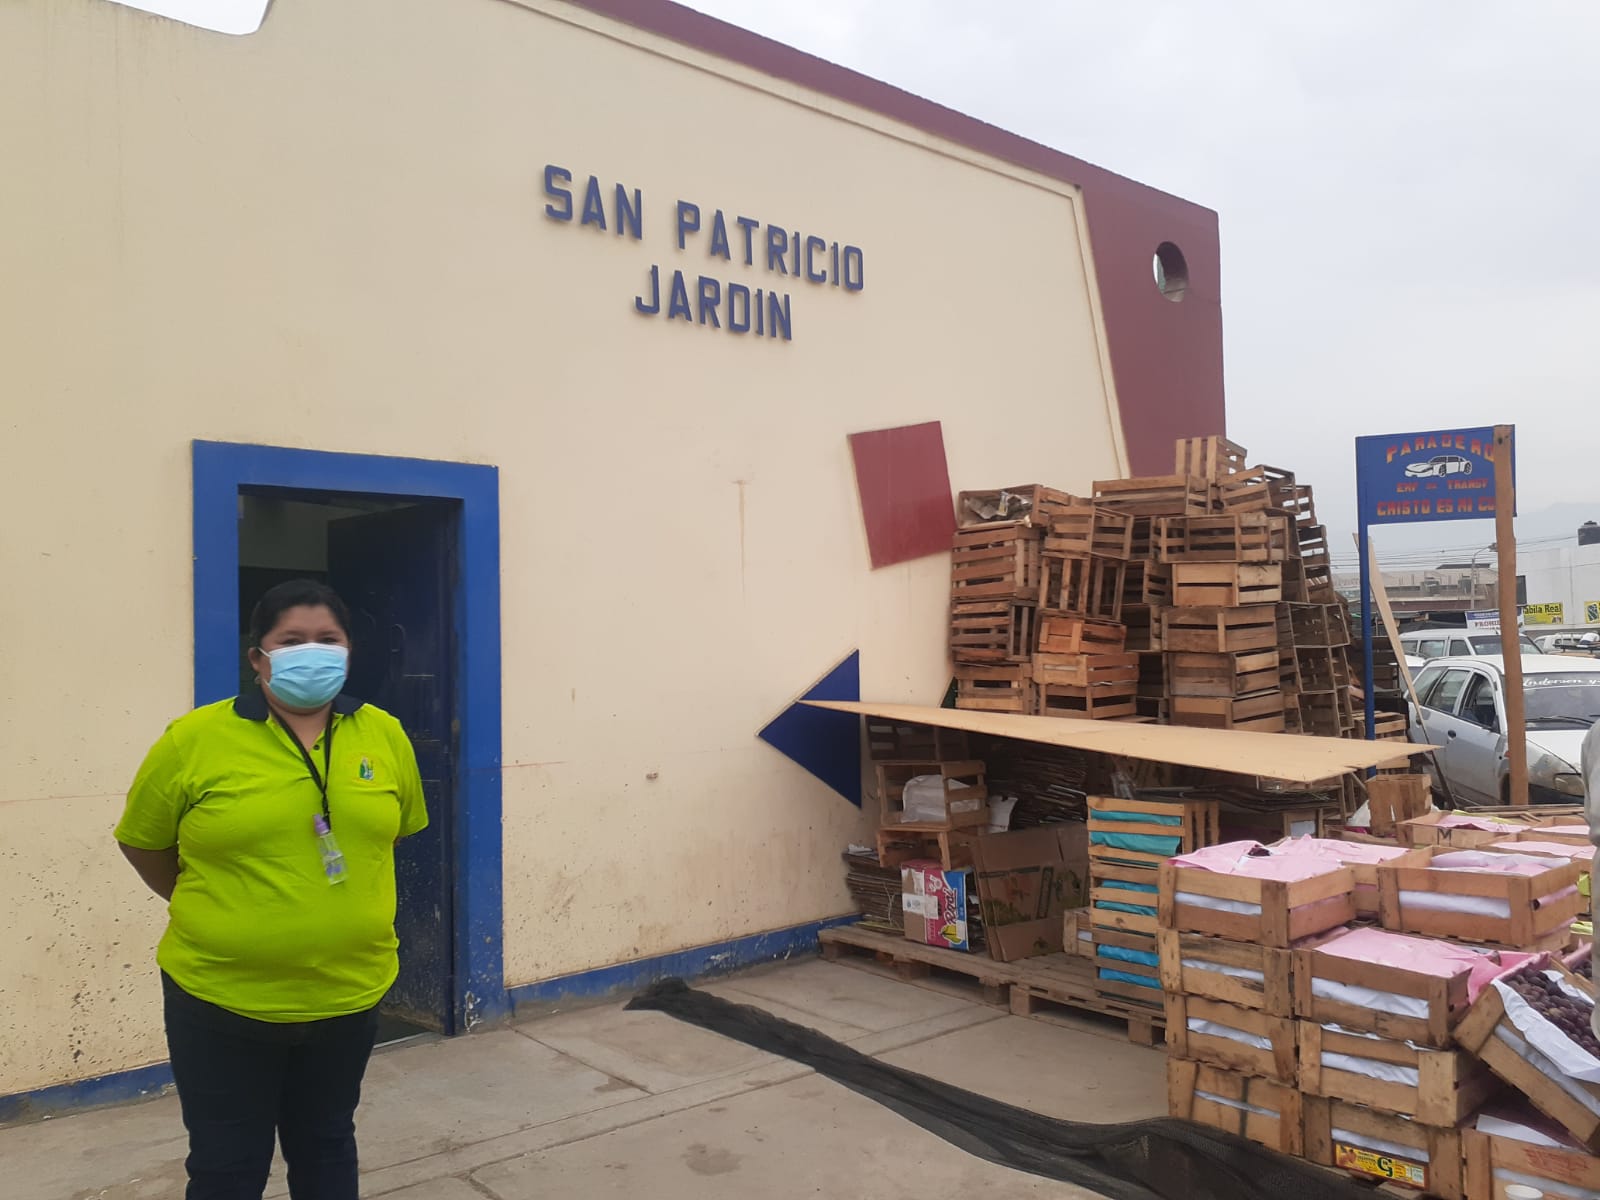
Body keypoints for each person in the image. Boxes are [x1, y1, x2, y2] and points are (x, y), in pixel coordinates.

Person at [116, 580, 428, 1200]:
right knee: (226, 1166)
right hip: (221, 998)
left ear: (349, 651)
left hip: (348, 994)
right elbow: (143, 843)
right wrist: (222, 908)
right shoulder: (194, 740)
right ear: (258, 657)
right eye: (291, 640)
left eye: (327, 640)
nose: (311, 652)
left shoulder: (384, 734)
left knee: (328, 1145)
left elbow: (389, 838)